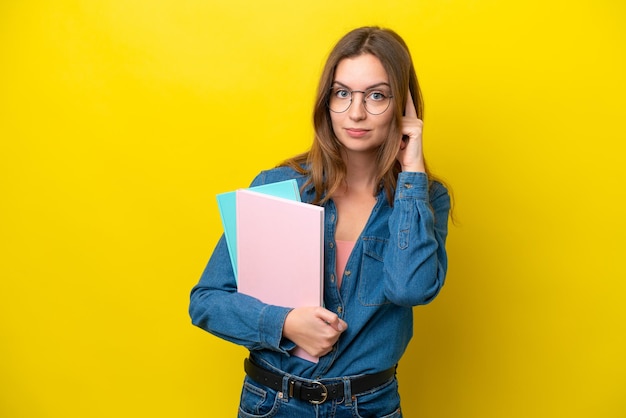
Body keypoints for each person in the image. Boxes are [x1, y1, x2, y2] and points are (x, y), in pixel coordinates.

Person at [189, 26, 451, 418]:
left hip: (369, 406)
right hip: (271, 403)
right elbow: (206, 302)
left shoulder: (426, 198)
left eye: (377, 95)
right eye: (342, 93)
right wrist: (284, 323)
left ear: (404, 106)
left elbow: (410, 289)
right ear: (326, 101)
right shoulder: (278, 186)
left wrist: (411, 171)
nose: (356, 112)